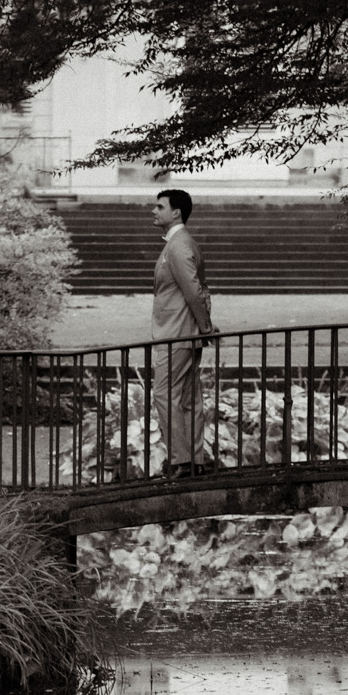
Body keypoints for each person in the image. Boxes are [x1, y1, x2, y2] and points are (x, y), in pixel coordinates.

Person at [149, 188, 214, 478]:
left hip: (176, 335)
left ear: (176, 212)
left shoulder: (178, 246)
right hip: (184, 333)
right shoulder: (181, 243)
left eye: (159, 206)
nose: (154, 211)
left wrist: (206, 327)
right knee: (188, 399)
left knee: (164, 394)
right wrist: (203, 327)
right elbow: (199, 289)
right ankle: (194, 461)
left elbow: (194, 290)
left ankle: (181, 461)